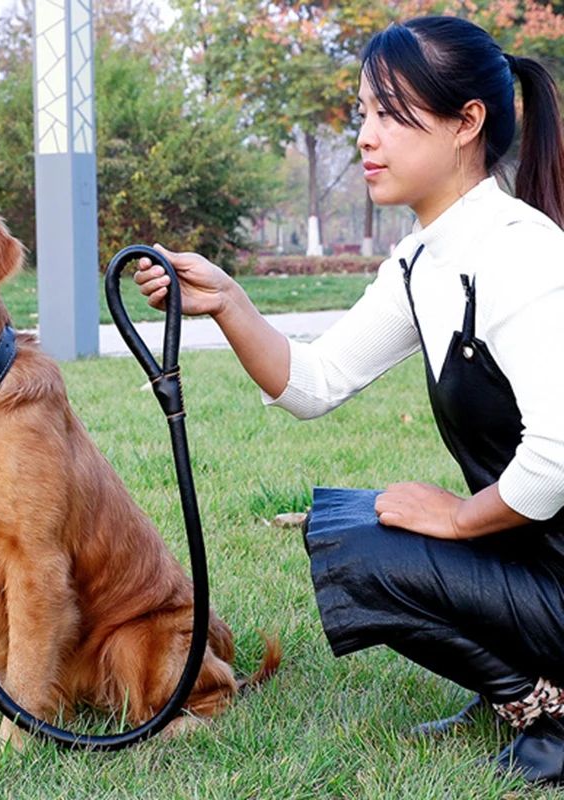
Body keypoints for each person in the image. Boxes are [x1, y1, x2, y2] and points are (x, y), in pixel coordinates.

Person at [134, 15, 564, 785]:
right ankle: (514, 687)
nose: (366, 136)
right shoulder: (425, 258)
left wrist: (459, 518)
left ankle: (546, 712)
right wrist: (227, 300)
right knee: (347, 526)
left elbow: (558, 456)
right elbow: (315, 381)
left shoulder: (521, 253)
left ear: (467, 122)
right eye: (364, 113)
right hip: (535, 560)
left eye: (392, 114)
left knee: (368, 548)